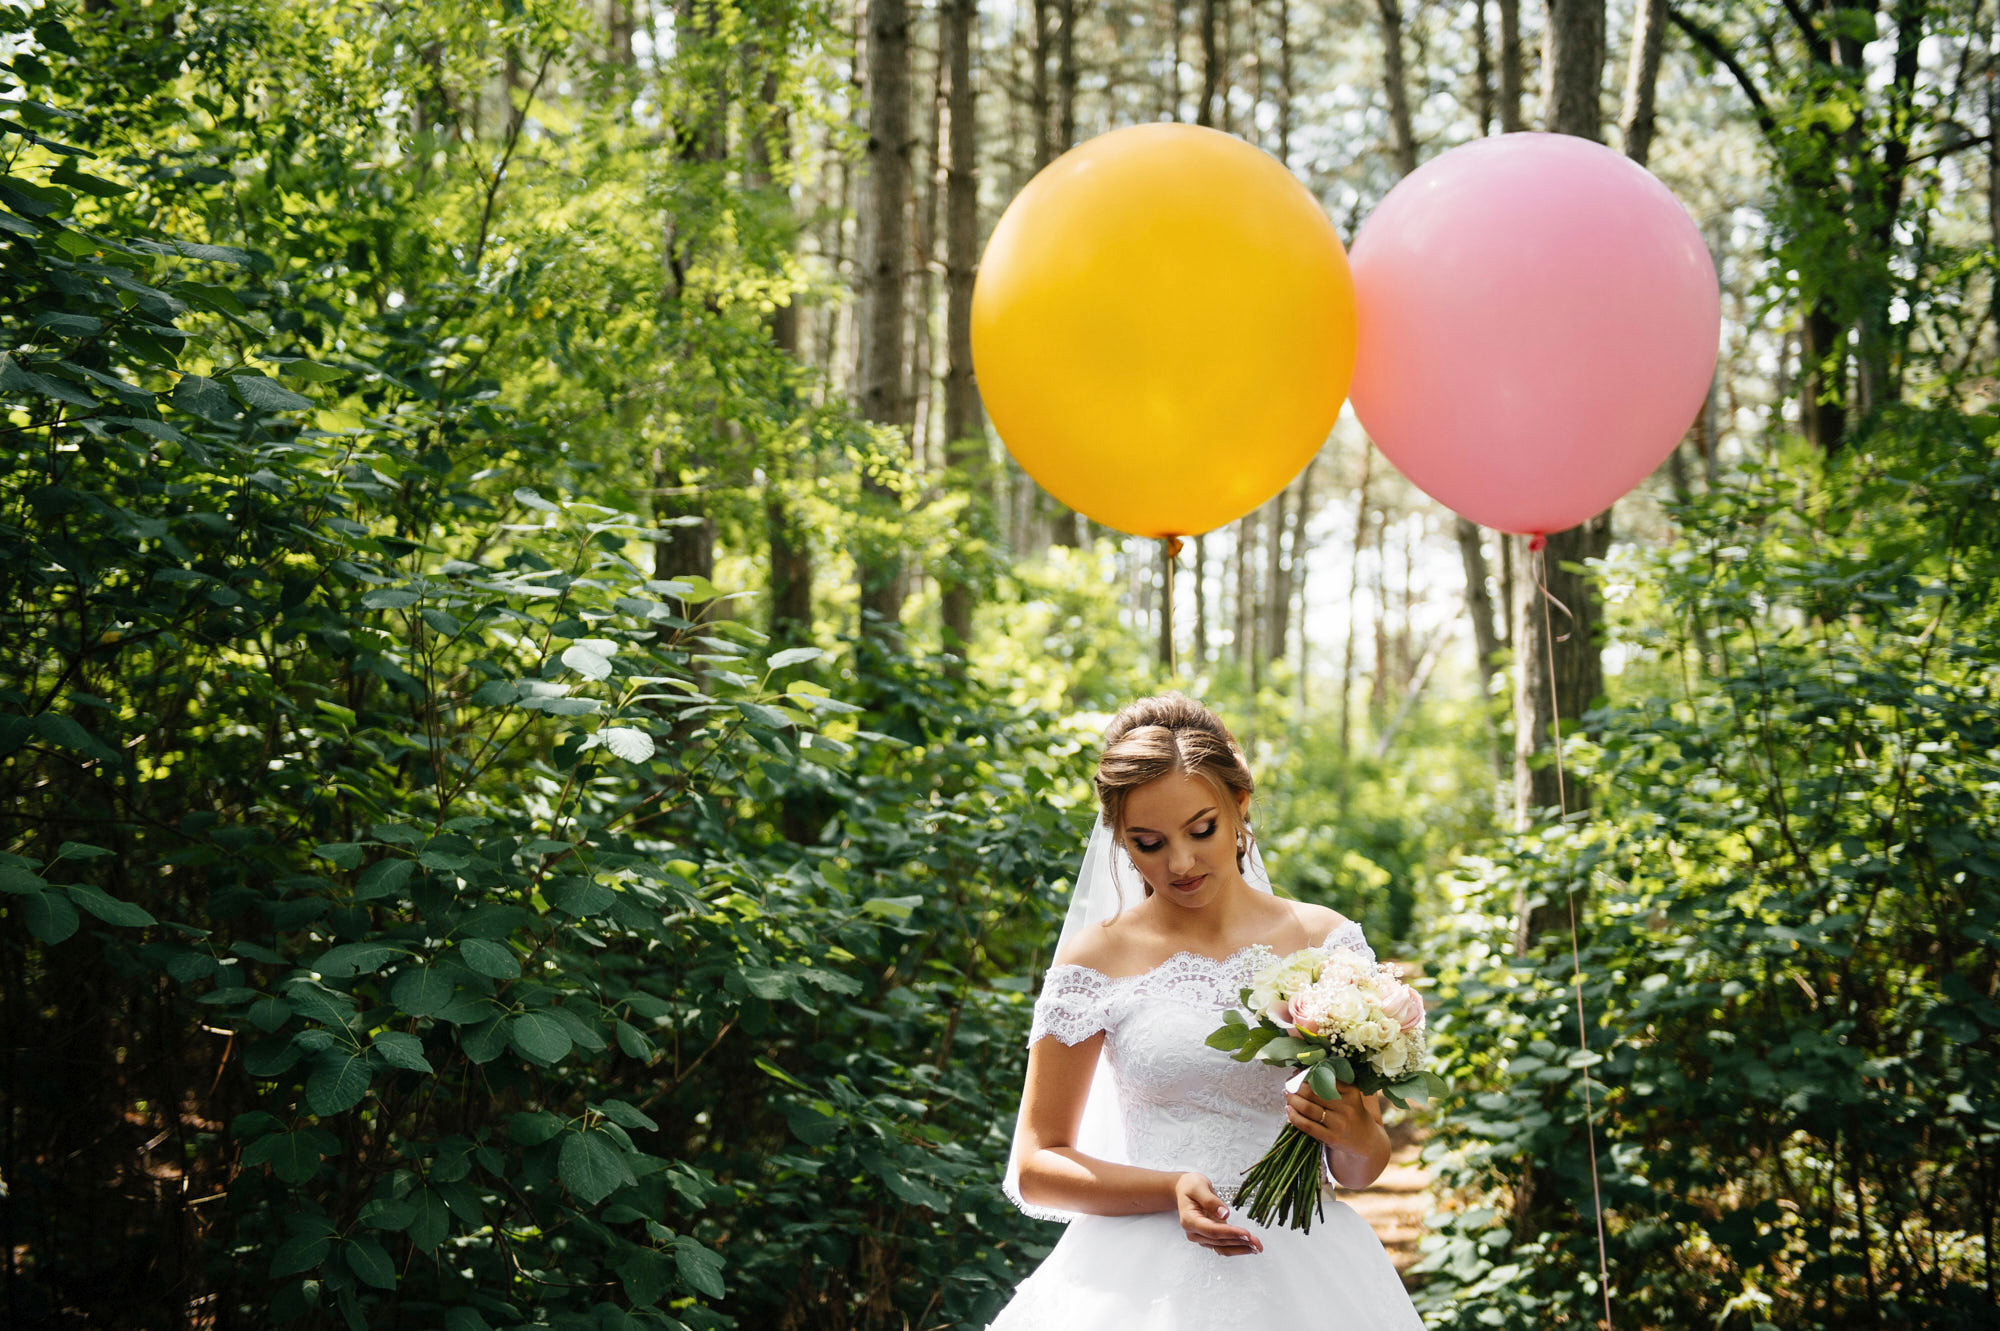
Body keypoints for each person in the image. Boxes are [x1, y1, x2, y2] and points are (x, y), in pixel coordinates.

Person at [986, 693, 1427, 1329]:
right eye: (1149, 842)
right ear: (1120, 840)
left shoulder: (1324, 942)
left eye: (1201, 830)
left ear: (1240, 807)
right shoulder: (1095, 960)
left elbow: (1361, 1165)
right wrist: (1167, 1189)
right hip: (1137, 1281)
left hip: (1307, 1265)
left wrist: (1355, 1134)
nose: (1181, 863)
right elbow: (1036, 1166)